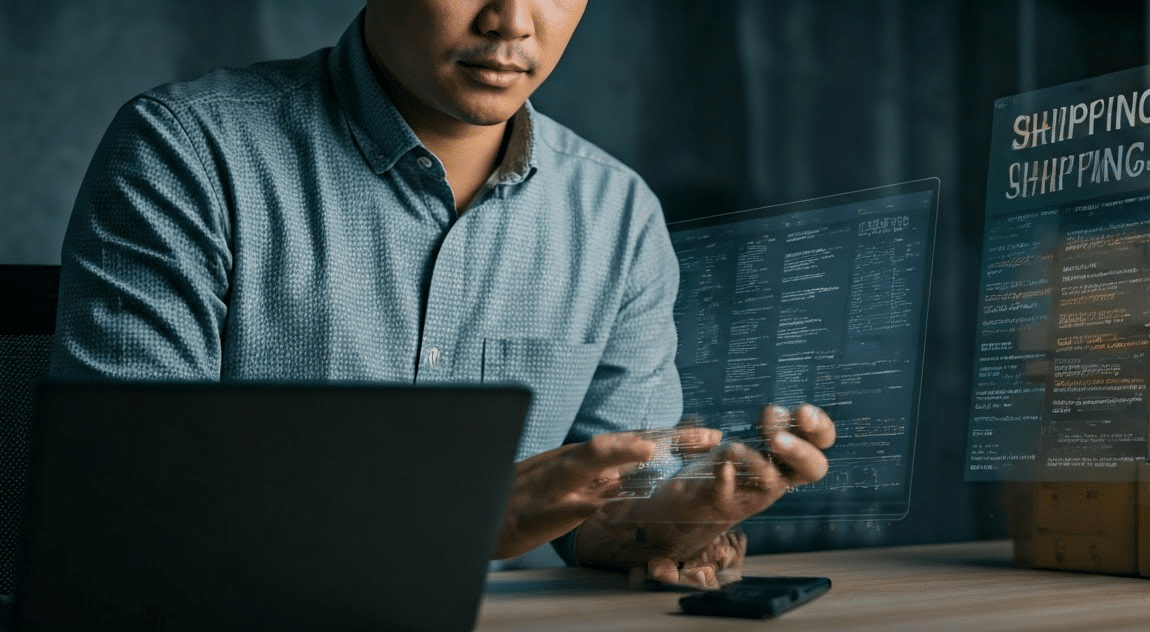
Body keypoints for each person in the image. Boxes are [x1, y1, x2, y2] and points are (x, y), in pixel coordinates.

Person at [50, 0, 835, 588]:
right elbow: (130, 516)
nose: (511, 21)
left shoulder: (618, 215)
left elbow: (603, 514)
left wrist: (682, 514)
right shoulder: (185, 151)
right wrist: (465, 519)